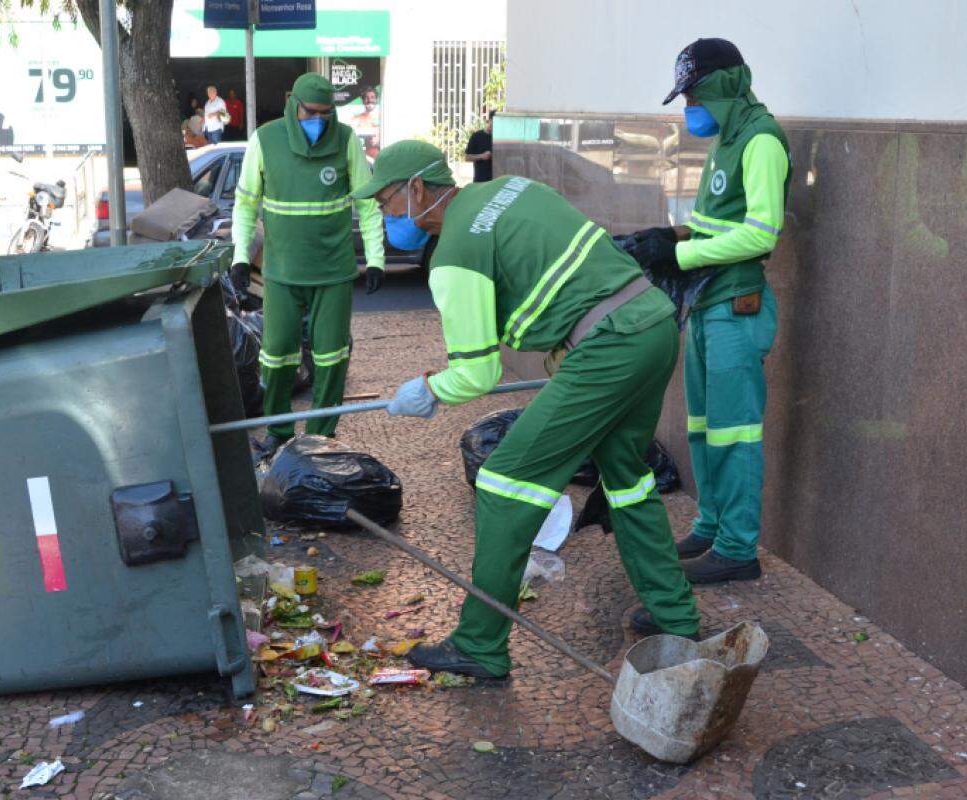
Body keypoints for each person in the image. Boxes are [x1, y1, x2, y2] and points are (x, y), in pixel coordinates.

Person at [351, 140, 700, 677]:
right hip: (651, 322)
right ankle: (676, 618)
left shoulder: (455, 254)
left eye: (387, 201)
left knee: (503, 482)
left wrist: (426, 390)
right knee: (628, 478)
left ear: (417, 188)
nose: (383, 214)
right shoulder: (512, 190)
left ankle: (479, 645)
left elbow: (477, 372)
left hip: (609, 347)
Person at [624, 38, 790, 585]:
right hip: (707, 305)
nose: (687, 107)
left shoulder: (761, 140)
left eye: (693, 95)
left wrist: (680, 253)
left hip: (736, 310)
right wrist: (667, 236)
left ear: (722, 86)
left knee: (734, 434)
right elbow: (720, 223)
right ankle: (711, 526)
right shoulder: (727, 138)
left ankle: (738, 549)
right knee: (702, 428)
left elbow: (761, 231)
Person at [229, 73, 386, 460]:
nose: (318, 119)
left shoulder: (346, 140)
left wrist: (377, 258)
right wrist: (240, 256)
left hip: (333, 273)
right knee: (276, 355)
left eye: (325, 113)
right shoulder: (265, 141)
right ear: (292, 103)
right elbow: (246, 204)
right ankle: (279, 431)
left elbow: (366, 204)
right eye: (311, 112)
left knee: (331, 358)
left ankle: (322, 438)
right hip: (281, 273)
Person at [464, 110, 494, 183]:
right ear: (488, 121)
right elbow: (467, 157)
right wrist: (481, 156)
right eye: (492, 122)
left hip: (496, 180)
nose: (494, 125)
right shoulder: (476, 136)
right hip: (480, 180)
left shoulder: (499, 138)